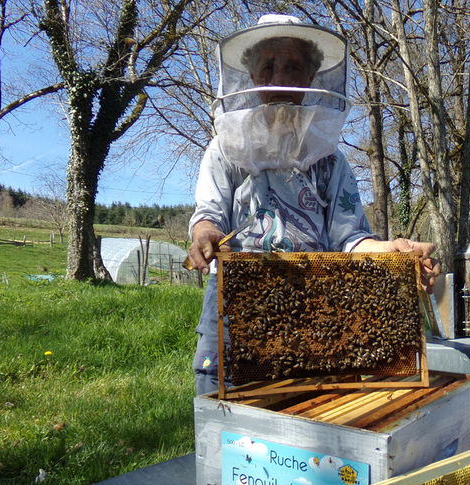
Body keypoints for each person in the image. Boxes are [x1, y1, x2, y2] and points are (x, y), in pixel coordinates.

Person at [187, 14, 440, 395]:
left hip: (311, 312)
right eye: (269, 67)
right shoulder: (226, 150)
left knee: (301, 426)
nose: (280, 78)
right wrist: (205, 233)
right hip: (234, 312)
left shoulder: (330, 160)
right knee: (224, 429)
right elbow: (208, 215)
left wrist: (392, 251)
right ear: (253, 78)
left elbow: (349, 237)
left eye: (292, 68)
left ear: (310, 80)